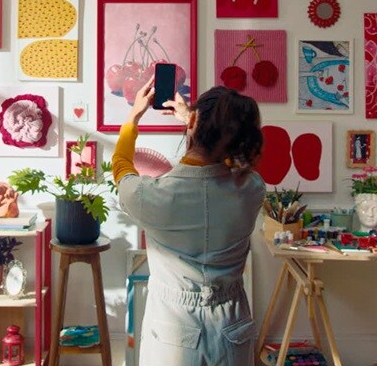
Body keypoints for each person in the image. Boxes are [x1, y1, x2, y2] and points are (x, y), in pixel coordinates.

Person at [113, 78, 266, 365]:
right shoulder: (251, 189)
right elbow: (231, 163)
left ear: (195, 121)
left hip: (173, 329)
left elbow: (121, 167)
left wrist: (133, 117)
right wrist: (194, 121)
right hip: (232, 325)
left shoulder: (150, 196)